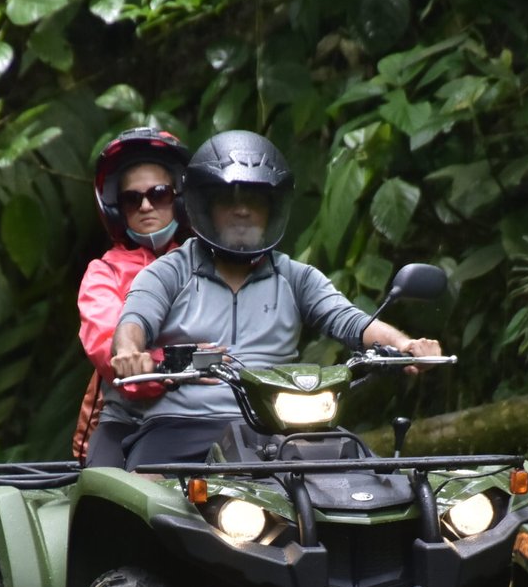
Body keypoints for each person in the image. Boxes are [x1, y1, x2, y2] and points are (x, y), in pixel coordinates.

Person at [109, 130, 442, 468]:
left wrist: (406, 345)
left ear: (271, 210)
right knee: (145, 494)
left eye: (254, 200)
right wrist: (129, 353)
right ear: (205, 208)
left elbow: (353, 321)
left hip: (281, 426)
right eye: (229, 200)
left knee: (375, 484)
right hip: (181, 425)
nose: (242, 211)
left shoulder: (295, 276)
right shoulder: (169, 272)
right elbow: (134, 322)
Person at [72, 127, 190, 467]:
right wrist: (165, 363)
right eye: (131, 198)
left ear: (180, 199)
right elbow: (107, 346)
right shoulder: (103, 272)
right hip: (126, 418)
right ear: (116, 209)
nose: (146, 205)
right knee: (105, 502)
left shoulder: (206, 263)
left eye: (160, 193)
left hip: (205, 414)